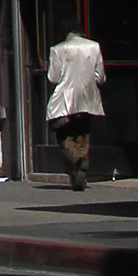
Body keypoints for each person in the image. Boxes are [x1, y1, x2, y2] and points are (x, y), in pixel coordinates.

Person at [47, 25, 106, 190]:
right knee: (83, 136)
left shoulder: (58, 49)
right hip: (88, 98)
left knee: (64, 137)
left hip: (64, 100)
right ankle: (80, 175)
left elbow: (53, 77)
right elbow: (99, 76)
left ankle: (77, 161)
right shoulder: (94, 46)